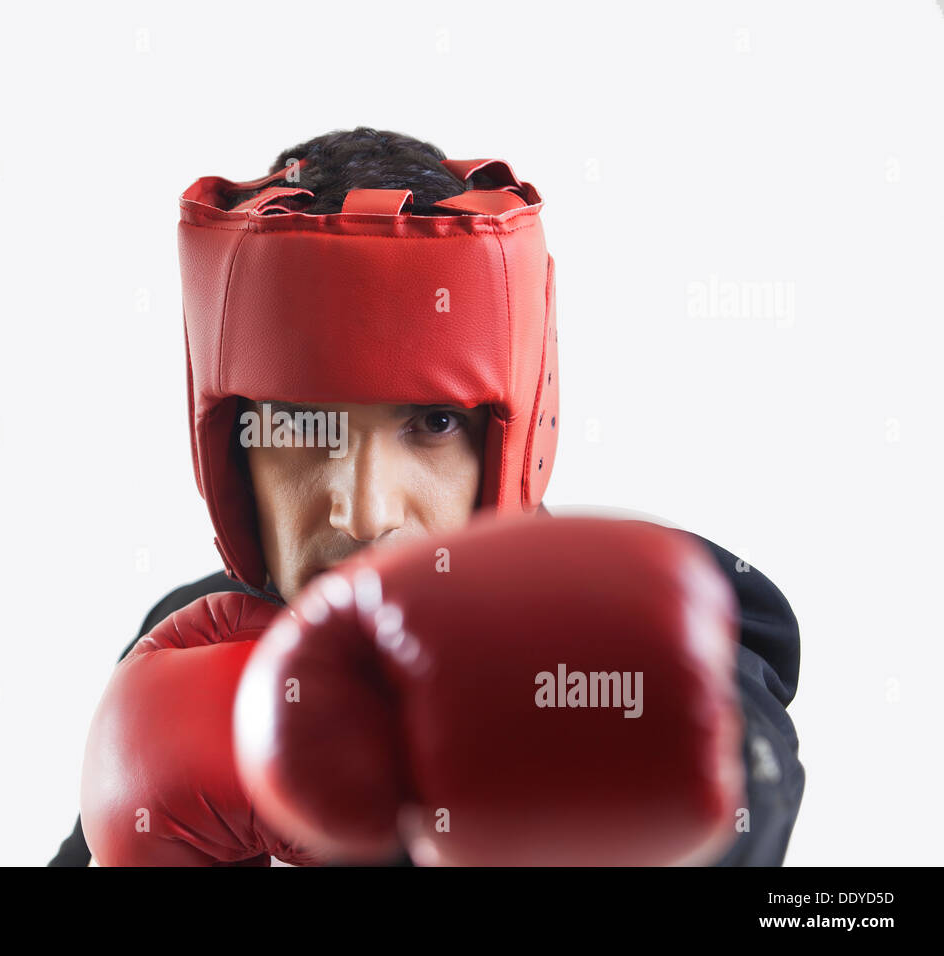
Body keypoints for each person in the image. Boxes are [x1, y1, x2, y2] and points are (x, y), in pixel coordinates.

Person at [50, 127, 804, 867]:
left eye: (434, 424)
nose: (366, 510)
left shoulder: (631, 638)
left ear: (509, 448)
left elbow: (737, 795)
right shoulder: (188, 650)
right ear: (232, 448)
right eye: (305, 427)